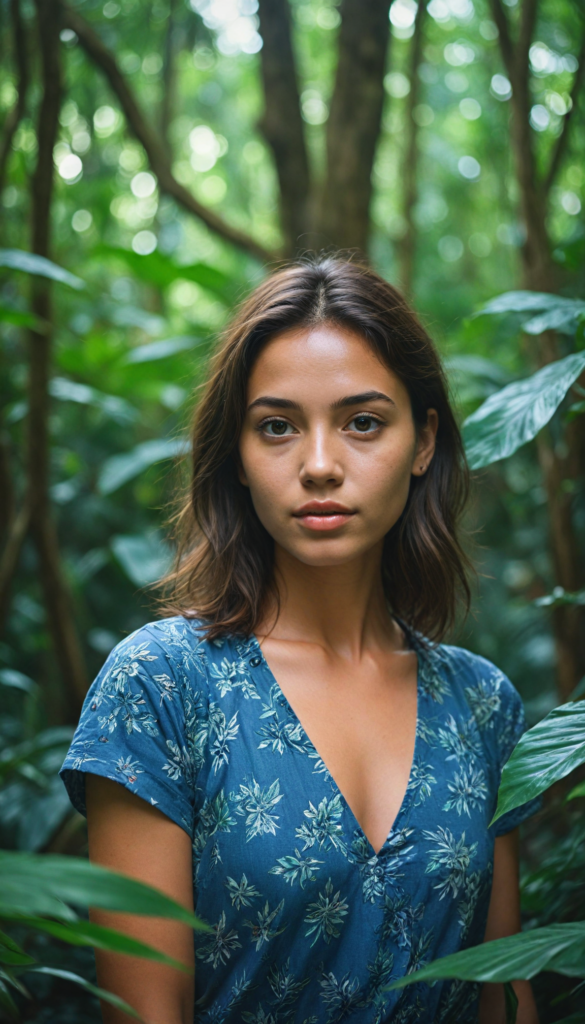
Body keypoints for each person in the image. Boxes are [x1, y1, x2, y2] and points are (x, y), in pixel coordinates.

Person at [61, 256, 541, 1024]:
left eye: (362, 422)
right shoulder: (159, 687)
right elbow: (146, 1011)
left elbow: (506, 995)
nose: (319, 466)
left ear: (422, 444)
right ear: (239, 459)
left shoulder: (482, 705)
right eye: (277, 427)